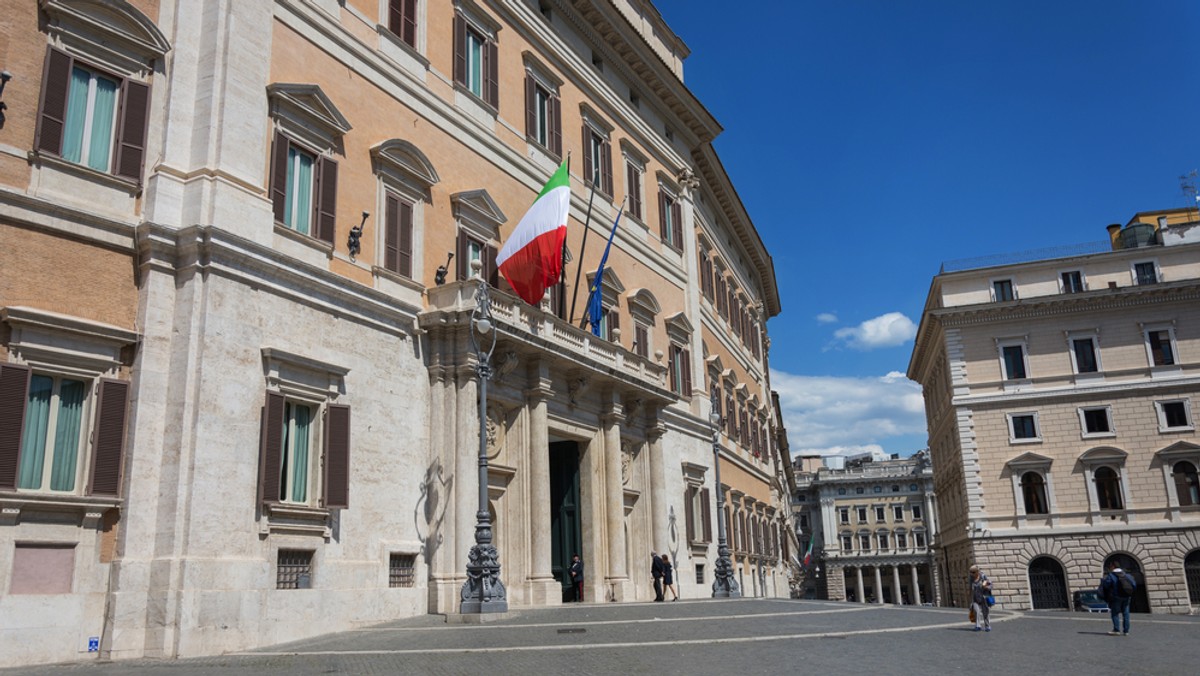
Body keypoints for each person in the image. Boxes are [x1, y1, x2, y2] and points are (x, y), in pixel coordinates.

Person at [1099, 560, 1135, 636]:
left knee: (1115, 613)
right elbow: (1134, 584)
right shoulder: (1126, 575)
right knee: (1126, 613)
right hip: (1126, 596)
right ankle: (1126, 631)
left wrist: (1103, 581)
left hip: (1117, 597)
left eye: (1110, 566)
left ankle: (1116, 629)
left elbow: (1106, 585)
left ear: (1113, 566)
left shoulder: (1111, 575)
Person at [968, 565, 992, 632]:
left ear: (977, 572)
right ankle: (977, 626)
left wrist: (986, 587)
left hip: (984, 597)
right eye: (971, 572)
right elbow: (970, 587)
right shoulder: (971, 578)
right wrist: (969, 596)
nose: (971, 574)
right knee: (976, 611)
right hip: (975, 598)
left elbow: (990, 584)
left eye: (973, 572)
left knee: (985, 612)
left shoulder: (983, 577)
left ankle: (987, 626)